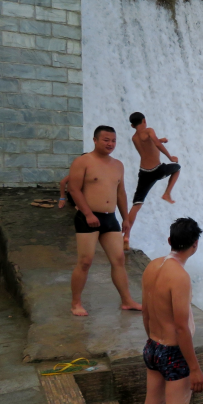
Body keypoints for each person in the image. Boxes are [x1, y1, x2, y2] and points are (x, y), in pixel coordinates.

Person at [138, 217, 203, 404]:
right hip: (174, 354)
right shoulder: (180, 276)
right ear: (195, 245)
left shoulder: (153, 266)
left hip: (152, 346)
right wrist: (195, 368)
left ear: (169, 241)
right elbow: (180, 326)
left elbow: (145, 309)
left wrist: (152, 341)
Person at [67, 126, 142, 316]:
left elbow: (120, 192)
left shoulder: (118, 165)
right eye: (106, 140)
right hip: (88, 217)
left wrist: (125, 218)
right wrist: (88, 214)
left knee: (119, 259)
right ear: (95, 140)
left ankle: (126, 300)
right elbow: (74, 189)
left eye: (113, 140)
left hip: (110, 218)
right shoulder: (83, 161)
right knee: (85, 261)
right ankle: (76, 303)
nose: (110, 144)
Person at [124, 112, 181, 249]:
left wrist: (160, 139)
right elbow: (155, 144)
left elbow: (147, 144)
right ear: (144, 120)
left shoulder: (134, 138)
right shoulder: (149, 131)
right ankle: (167, 193)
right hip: (157, 170)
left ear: (132, 125)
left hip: (144, 173)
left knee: (137, 204)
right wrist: (170, 157)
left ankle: (126, 236)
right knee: (177, 167)